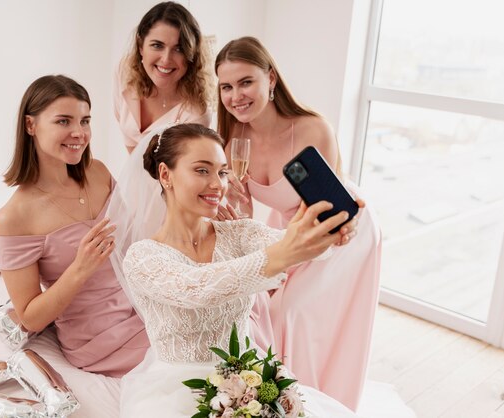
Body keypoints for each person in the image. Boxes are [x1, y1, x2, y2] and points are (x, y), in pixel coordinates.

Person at [118, 123, 362, 417]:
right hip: (176, 390)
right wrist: (281, 254)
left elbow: (297, 247)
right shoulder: (142, 257)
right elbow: (197, 288)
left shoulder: (239, 234)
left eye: (222, 172)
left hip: (248, 379)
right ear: (165, 175)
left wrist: (329, 234)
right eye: (202, 170)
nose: (217, 184)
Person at [215, 36, 382, 410]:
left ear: (270, 79)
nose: (236, 95)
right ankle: (280, 401)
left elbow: (330, 200)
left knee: (293, 313)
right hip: (289, 228)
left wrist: (286, 253)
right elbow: (243, 211)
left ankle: (314, 402)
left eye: (246, 82)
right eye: (226, 86)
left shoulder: (311, 128)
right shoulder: (231, 139)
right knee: (261, 309)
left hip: (339, 228)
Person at [0, 75, 148, 377]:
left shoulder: (98, 172)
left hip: (143, 306)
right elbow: (30, 318)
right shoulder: (14, 217)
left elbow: (135, 240)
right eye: (63, 121)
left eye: (85, 121)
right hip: (99, 338)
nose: (78, 133)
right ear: (30, 126)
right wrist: (80, 268)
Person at [111, 1, 214, 251]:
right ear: (140, 44)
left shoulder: (195, 111)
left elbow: (181, 182)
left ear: (191, 55)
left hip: (170, 205)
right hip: (132, 195)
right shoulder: (125, 76)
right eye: (157, 45)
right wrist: (133, 202)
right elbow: (134, 151)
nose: (166, 59)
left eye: (178, 49)